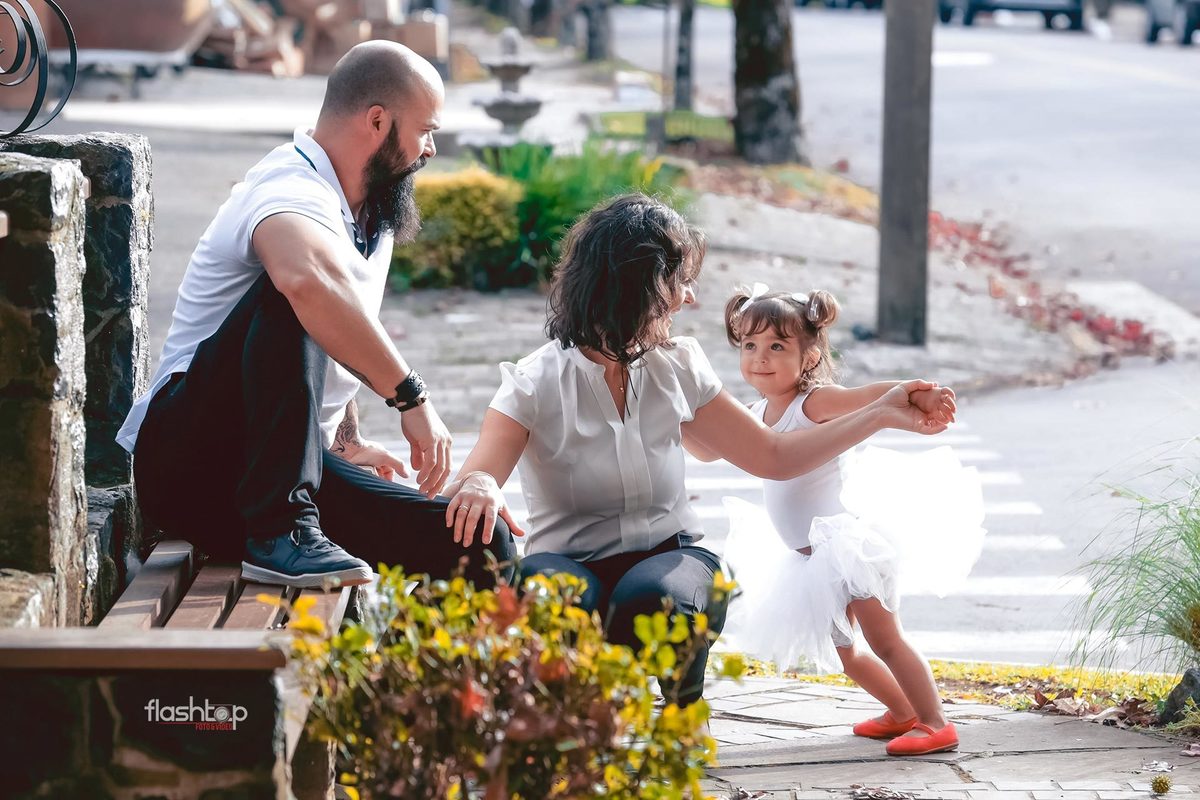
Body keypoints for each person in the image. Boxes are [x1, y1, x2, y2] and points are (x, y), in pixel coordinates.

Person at [441, 195, 955, 707]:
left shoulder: (678, 364)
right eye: (680, 280)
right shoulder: (534, 380)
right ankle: (568, 723)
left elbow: (773, 456)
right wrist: (481, 482)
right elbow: (476, 476)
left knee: (656, 599)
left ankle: (683, 723)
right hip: (565, 559)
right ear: (639, 285)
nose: (689, 298)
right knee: (554, 596)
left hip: (670, 553)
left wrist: (881, 411)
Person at [115, 42, 515, 588]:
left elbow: (334, 335)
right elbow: (305, 286)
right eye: (425, 130)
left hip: (284, 470)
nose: (431, 149)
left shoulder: (371, 211)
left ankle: (402, 643)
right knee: (298, 288)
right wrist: (411, 397)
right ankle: (282, 535)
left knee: (483, 544)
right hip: (190, 463)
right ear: (378, 121)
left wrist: (346, 441)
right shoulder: (289, 186)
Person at [717, 282, 986, 756]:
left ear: (809, 356)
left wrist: (913, 392)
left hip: (848, 549)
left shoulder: (812, 402)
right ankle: (901, 712)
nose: (760, 358)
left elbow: (866, 397)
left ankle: (935, 722)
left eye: (777, 347)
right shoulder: (757, 412)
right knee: (847, 654)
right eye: (750, 345)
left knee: (886, 640)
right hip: (810, 560)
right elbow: (712, 437)